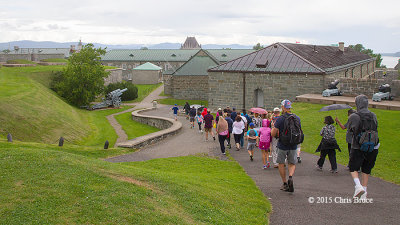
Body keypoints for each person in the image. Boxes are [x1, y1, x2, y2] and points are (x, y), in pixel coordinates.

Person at [347, 95, 379, 200]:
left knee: (353, 167)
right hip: (373, 147)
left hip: (358, 146)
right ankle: (364, 192)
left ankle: (358, 186)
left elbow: (351, 130)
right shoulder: (373, 115)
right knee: (366, 169)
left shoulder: (354, 116)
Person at [271, 99, 301, 192]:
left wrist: (273, 127)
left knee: (281, 163)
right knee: (292, 163)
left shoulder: (280, 118)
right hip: (293, 144)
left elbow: (273, 133)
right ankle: (290, 177)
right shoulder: (297, 118)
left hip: (282, 144)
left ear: (283, 107)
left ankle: (284, 183)